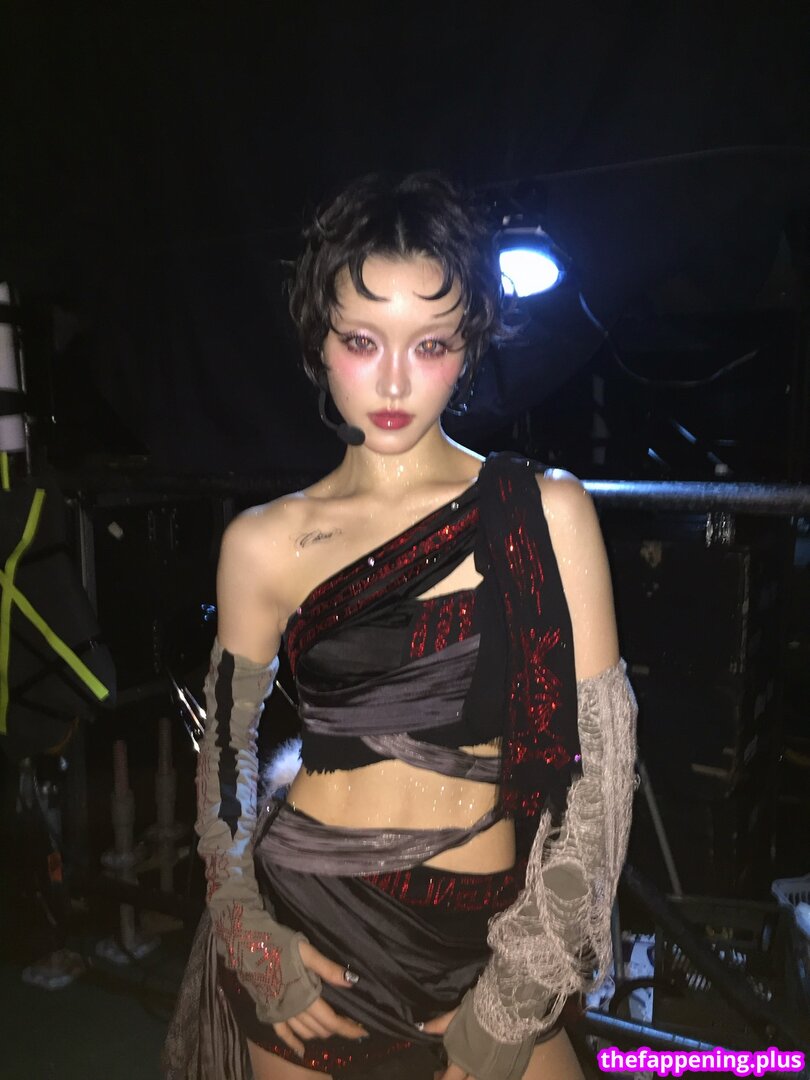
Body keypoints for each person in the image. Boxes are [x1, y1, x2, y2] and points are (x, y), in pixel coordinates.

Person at [163, 173, 637, 1080]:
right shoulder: (263, 543)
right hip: (316, 926)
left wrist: (518, 994)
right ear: (320, 341)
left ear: (467, 350)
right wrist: (250, 935)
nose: (391, 381)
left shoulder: (545, 512)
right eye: (360, 341)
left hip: (493, 937)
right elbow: (224, 759)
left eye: (429, 345)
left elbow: (601, 780)